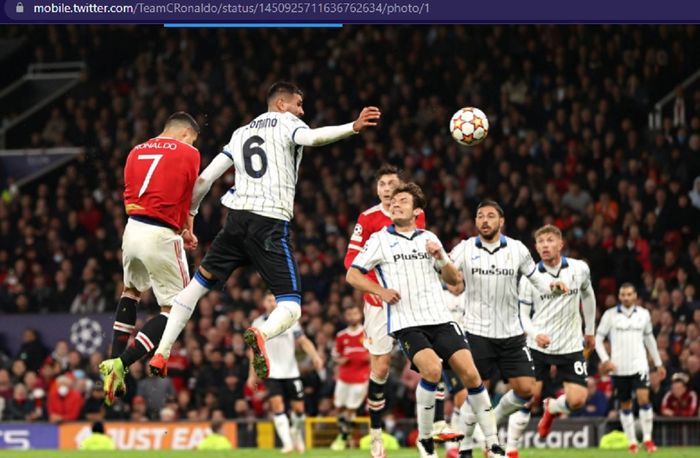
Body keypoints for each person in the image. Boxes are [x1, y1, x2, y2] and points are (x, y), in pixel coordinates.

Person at [150, 81, 380, 378]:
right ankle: (262, 333)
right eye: (298, 104)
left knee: (195, 287)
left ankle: (161, 352)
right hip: (269, 223)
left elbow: (205, 180)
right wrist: (354, 126)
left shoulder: (240, 132)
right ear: (281, 104)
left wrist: (189, 215)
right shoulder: (287, 123)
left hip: (235, 221)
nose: (302, 110)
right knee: (291, 305)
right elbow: (313, 139)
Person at [346, 183, 504, 458]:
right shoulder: (380, 240)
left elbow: (455, 280)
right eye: (393, 201)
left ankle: (494, 443)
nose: (395, 204)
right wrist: (380, 291)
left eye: (402, 201)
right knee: (432, 369)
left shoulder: (428, 238)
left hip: (440, 318)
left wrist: (441, 257)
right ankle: (427, 438)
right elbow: (353, 274)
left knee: (471, 374)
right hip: (407, 322)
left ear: (416, 211)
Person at [448, 201, 568, 458]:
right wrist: (440, 264)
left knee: (526, 390)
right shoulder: (465, 248)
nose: (485, 220)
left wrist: (553, 286)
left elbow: (537, 279)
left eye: (491, 216)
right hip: (477, 331)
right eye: (480, 216)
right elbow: (445, 271)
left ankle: (494, 420)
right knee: (476, 390)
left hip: (512, 334)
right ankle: (466, 447)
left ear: (501, 221)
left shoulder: (517, 249)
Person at [99, 112, 201, 404]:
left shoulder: (136, 150)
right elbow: (187, 194)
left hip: (132, 229)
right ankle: (124, 362)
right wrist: (186, 229)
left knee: (130, 292)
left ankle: (113, 362)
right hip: (161, 234)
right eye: (193, 138)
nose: (193, 142)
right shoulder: (188, 152)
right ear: (185, 134)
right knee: (176, 308)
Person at [342, 164, 430, 457]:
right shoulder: (367, 219)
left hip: (411, 302)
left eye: (392, 183)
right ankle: (376, 434)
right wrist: (375, 292)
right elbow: (351, 262)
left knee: (431, 364)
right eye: (382, 184)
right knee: (380, 369)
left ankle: (431, 430)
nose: (387, 188)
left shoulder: (415, 214)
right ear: (377, 189)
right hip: (379, 304)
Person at [505, 224, 597, 458]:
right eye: (540, 242)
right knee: (528, 396)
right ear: (535, 247)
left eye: (549, 240)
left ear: (560, 244)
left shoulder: (579, 269)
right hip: (538, 346)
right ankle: (510, 450)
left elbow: (588, 295)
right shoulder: (529, 278)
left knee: (577, 400)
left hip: (570, 344)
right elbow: (522, 316)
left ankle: (553, 408)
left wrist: (591, 330)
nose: (544, 245)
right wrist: (535, 334)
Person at [247, 292, 324, 454]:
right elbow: (254, 351)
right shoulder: (258, 323)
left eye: (275, 300)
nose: (272, 303)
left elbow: (303, 341)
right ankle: (287, 443)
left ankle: (296, 433)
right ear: (264, 303)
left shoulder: (290, 320)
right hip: (272, 372)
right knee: (277, 406)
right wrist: (252, 374)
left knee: (299, 410)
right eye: (269, 300)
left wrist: (315, 356)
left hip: (291, 371)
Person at [596, 283, 666, 454]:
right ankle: (632, 441)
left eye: (629, 294)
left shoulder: (644, 314)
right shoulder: (610, 315)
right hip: (618, 368)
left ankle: (648, 439)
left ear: (635, 296)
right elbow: (598, 339)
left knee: (644, 399)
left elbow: (650, 340)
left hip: (639, 365)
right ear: (619, 296)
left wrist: (658, 363)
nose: (626, 297)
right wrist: (606, 360)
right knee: (625, 404)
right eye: (623, 294)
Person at [330, 303, 370, 451]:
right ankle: (344, 435)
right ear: (346, 317)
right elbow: (335, 354)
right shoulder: (341, 336)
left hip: (361, 377)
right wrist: (339, 360)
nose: (353, 317)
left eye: (355, 313)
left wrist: (369, 357)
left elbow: (374, 351)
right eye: (349, 314)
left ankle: (342, 438)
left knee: (351, 409)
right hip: (344, 377)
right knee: (339, 407)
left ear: (360, 315)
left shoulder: (367, 333)